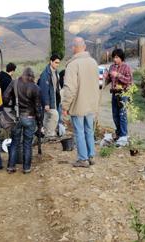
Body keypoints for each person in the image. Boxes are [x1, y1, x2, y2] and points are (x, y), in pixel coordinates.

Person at [61, 37, 100, 168]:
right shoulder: (94, 63)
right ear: (85, 47)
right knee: (89, 130)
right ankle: (91, 156)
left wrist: (65, 106)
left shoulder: (73, 65)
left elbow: (70, 88)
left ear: (74, 48)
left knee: (79, 131)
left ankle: (83, 159)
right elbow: (98, 84)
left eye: (72, 47)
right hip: (91, 104)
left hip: (78, 105)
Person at [3, 67, 42, 174]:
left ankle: (11, 167)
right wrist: (40, 123)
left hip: (16, 118)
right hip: (30, 118)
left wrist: (12, 105)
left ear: (22, 74)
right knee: (27, 144)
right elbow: (38, 108)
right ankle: (26, 168)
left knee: (15, 142)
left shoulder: (14, 83)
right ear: (32, 76)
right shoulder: (36, 88)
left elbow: (5, 98)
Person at [104, 48, 133, 147]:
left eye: (116, 57)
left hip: (123, 94)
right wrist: (106, 77)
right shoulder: (112, 67)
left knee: (122, 115)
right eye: (114, 57)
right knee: (115, 115)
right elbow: (109, 80)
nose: (114, 59)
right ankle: (119, 133)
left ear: (121, 58)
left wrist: (118, 75)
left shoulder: (126, 67)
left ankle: (124, 135)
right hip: (114, 94)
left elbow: (129, 81)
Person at [38, 54, 62, 140]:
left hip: (55, 99)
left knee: (48, 117)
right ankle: (48, 133)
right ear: (51, 61)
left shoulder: (55, 72)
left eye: (58, 63)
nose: (57, 64)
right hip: (48, 100)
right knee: (54, 115)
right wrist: (46, 103)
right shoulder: (45, 74)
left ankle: (43, 132)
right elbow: (44, 90)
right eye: (56, 62)